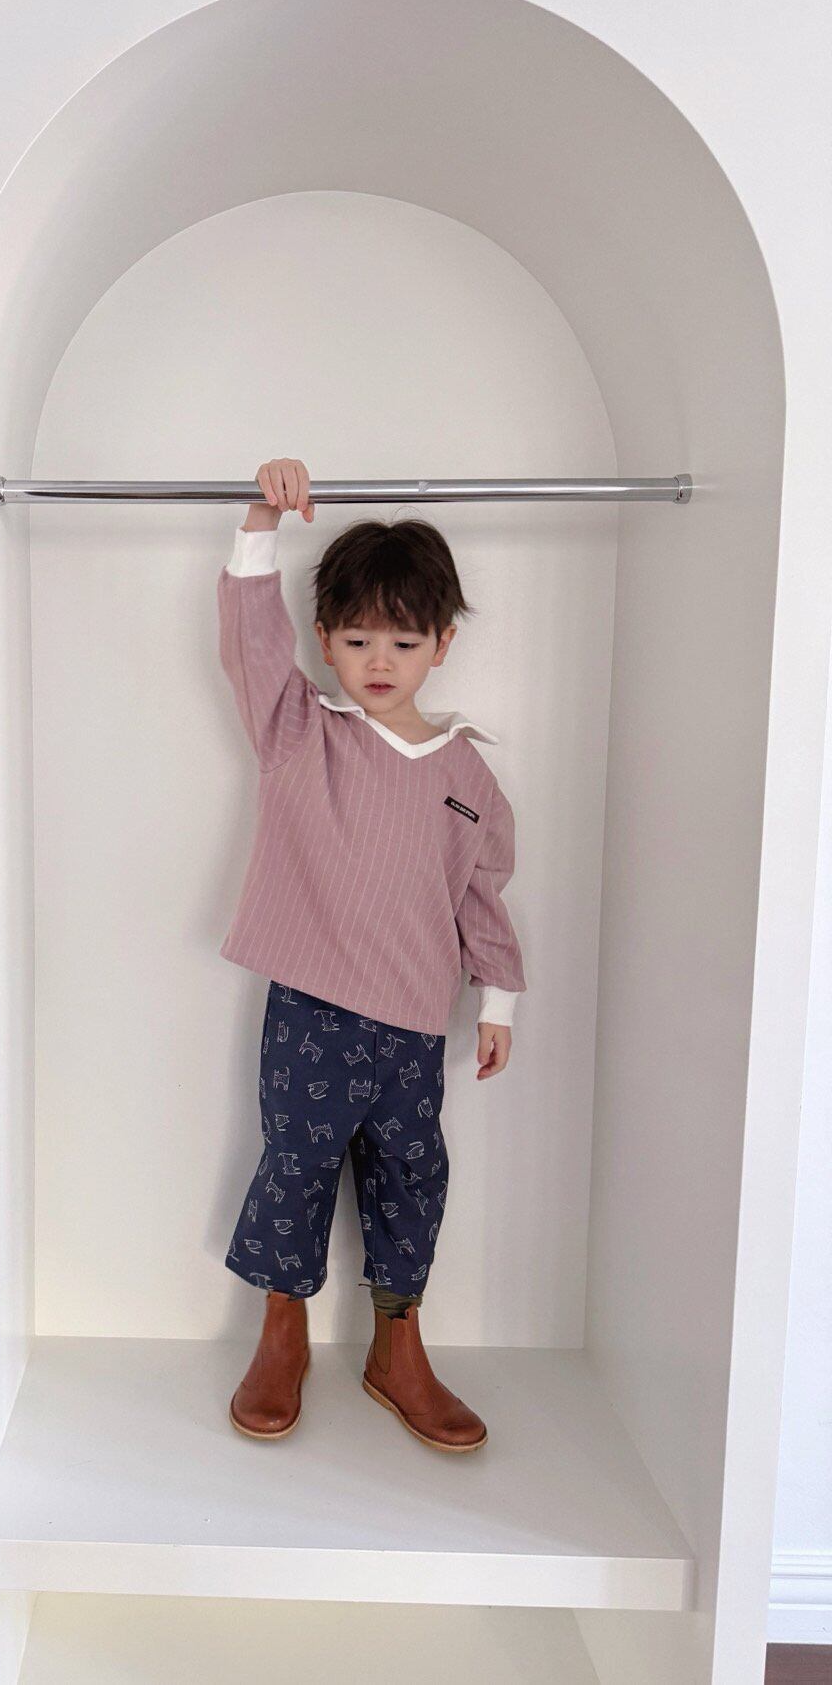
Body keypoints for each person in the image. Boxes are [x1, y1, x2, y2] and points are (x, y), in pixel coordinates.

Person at [218, 457, 525, 1452]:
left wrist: (498, 1001)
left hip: (413, 1021)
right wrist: (260, 518)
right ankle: (281, 1333)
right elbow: (249, 646)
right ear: (324, 642)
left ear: (441, 643)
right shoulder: (300, 730)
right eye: (355, 640)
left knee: (411, 1170)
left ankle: (398, 1347)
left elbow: (481, 894)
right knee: (296, 1164)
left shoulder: (468, 775)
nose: (377, 659)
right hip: (311, 1006)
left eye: (402, 640)